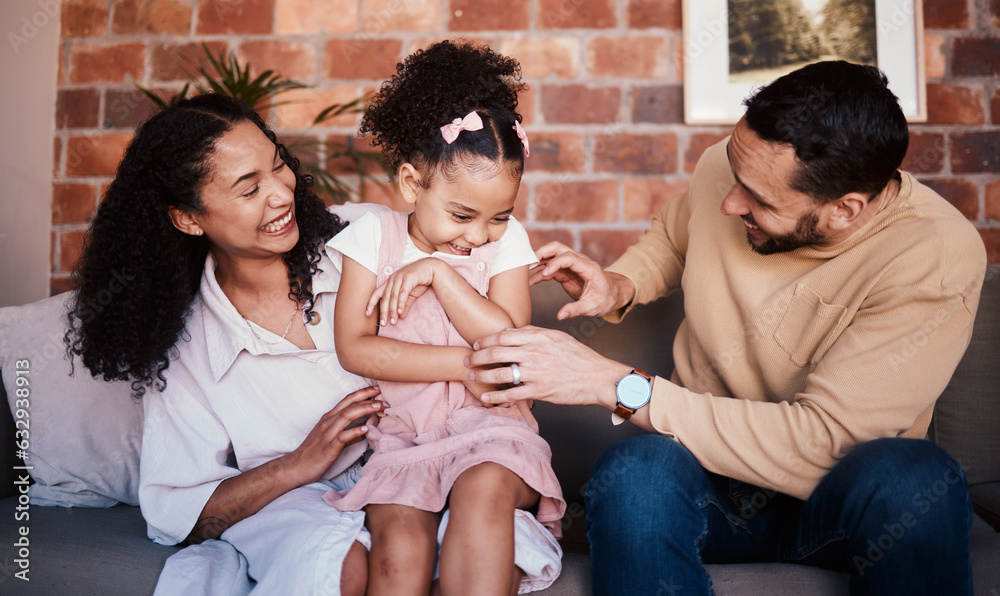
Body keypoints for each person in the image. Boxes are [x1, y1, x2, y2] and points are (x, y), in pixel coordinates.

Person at [467, 61, 987, 594]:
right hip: (699, 478)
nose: (730, 202)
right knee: (636, 472)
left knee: (916, 476)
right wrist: (621, 283)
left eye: (759, 200)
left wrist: (612, 385)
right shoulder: (736, 166)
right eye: (736, 176)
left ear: (844, 211)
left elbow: (824, 442)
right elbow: (677, 235)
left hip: (830, 502)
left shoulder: (934, 254)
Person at [64, 93, 389, 595]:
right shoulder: (186, 347)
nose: (281, 194)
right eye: (248, 188)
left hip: (414, 467)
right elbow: (181, 513)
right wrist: (300, 463)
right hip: (293, 503)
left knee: (471, 549)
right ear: (189, 219)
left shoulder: (364, 240)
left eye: (278, 167)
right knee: (336, 566)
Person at [324, 41, 565, 596]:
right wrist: (463, 364)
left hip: (494, 432)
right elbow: (355, 349)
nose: (479, 235)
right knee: (400, 549)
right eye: (462, 215)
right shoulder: (373, 239)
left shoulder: (508, 244)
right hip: (404, 438)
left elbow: (509, 343)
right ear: (412, 184)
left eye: (499, 216)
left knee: (483, 496)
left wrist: (442, 274)